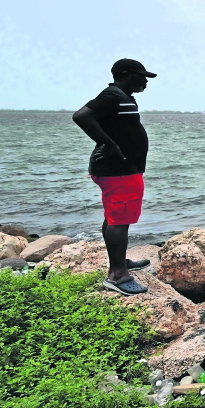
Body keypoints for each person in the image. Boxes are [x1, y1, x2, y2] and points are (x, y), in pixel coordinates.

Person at [72, 58, 157, 295]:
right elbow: (81, 116)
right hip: (118, 170)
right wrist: (107, 143)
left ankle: (118, 262)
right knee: (119, 219)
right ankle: (118, 275)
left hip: (123, 169)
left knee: (115, 217)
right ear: (126, 74)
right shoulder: (113, 95)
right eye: (142, 76)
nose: (145, 81)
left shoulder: (123, 97)